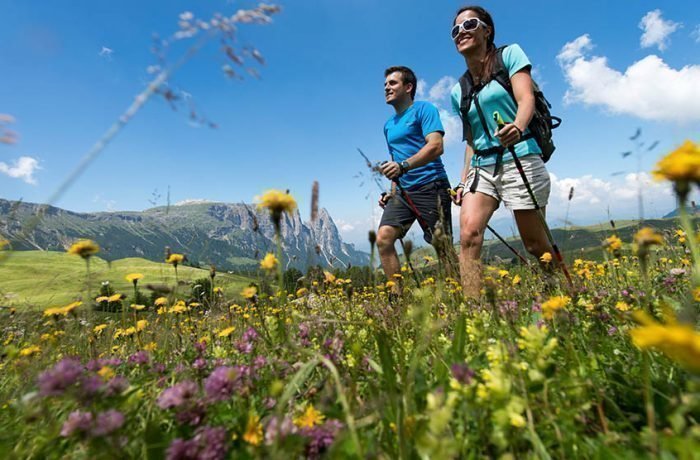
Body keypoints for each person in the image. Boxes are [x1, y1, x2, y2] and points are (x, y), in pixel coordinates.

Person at [449, 6, 554, 297]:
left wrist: (518, 127)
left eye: (470, 24)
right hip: (482, 165)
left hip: (520, 153)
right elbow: (470, 140)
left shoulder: (509, 55)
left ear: (487, 30)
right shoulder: (458, 90)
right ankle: (473, 313)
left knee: (535, 244)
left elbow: (526, 97)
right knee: (469, 235)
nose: (462, 32)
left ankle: (558, 291)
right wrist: (462, 180)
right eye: (455, 30)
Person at [377, 66, 454, 290]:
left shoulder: (424, 109)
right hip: (403, 191)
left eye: (392, 83)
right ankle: (397, 297)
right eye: (385, 85)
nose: (386, 88)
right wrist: (391, 194)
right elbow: (395, 160)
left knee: (442, 247)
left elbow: (436, 146)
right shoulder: (388, 126)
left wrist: (404, 166)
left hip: (432, 185)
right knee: (384, 238)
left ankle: (460, 296)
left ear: (408, 87)